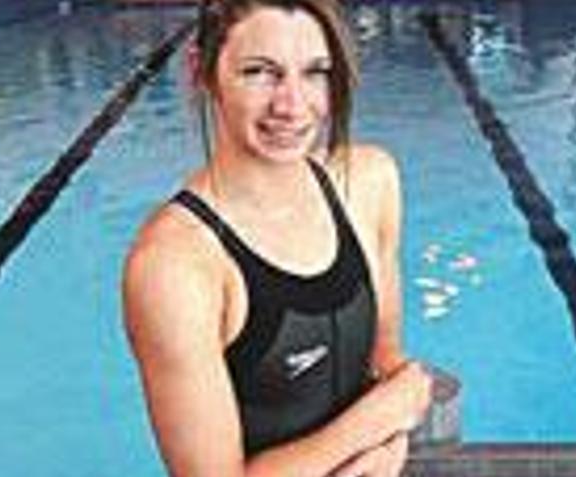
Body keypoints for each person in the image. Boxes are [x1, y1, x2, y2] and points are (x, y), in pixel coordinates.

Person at [122, 0, 433, 475]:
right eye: (259, 73)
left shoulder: (369, 184)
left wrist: (391, 443)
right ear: (200, 71)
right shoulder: (175, 265)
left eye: (315, 72)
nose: (291, 106)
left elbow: (389, 366)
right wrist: (373, 423)